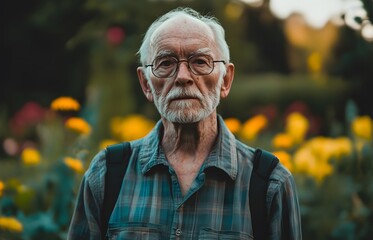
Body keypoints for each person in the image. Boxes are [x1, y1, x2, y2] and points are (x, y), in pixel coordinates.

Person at [68, 7, 302, 240]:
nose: (182, 76)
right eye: (165, 63)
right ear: (146, 84)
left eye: (200, 61)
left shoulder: (269, 184)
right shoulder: (107, 175)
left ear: (226, 80)